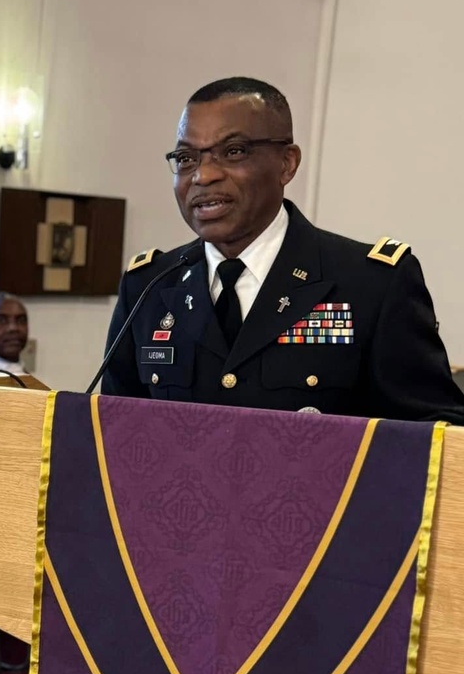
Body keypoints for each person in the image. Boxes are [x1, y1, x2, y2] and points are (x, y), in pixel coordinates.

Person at [102, 76, 464, 423]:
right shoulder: (149, 285)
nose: (203, 175)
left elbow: (436, 433)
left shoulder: (371, 284)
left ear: (287, 163)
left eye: (233, 151)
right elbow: (112, 429)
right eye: (186, 159)